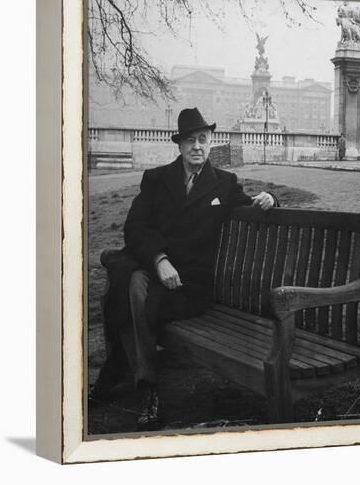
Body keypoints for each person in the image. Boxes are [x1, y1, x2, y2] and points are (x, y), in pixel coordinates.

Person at [90, 107, 278, 429]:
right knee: (136, 285)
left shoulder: (224, 184)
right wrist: (160, 260)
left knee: (129, 294)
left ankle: (136, 382)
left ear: (210, 142)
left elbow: (251, 203)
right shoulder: (156, 179)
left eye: (202, 139)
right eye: (190, 140)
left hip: (190, 288)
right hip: (156, 272)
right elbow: (135, 226)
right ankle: (149, 387)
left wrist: (270, 198)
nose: (197, 147)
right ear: (179, 145)